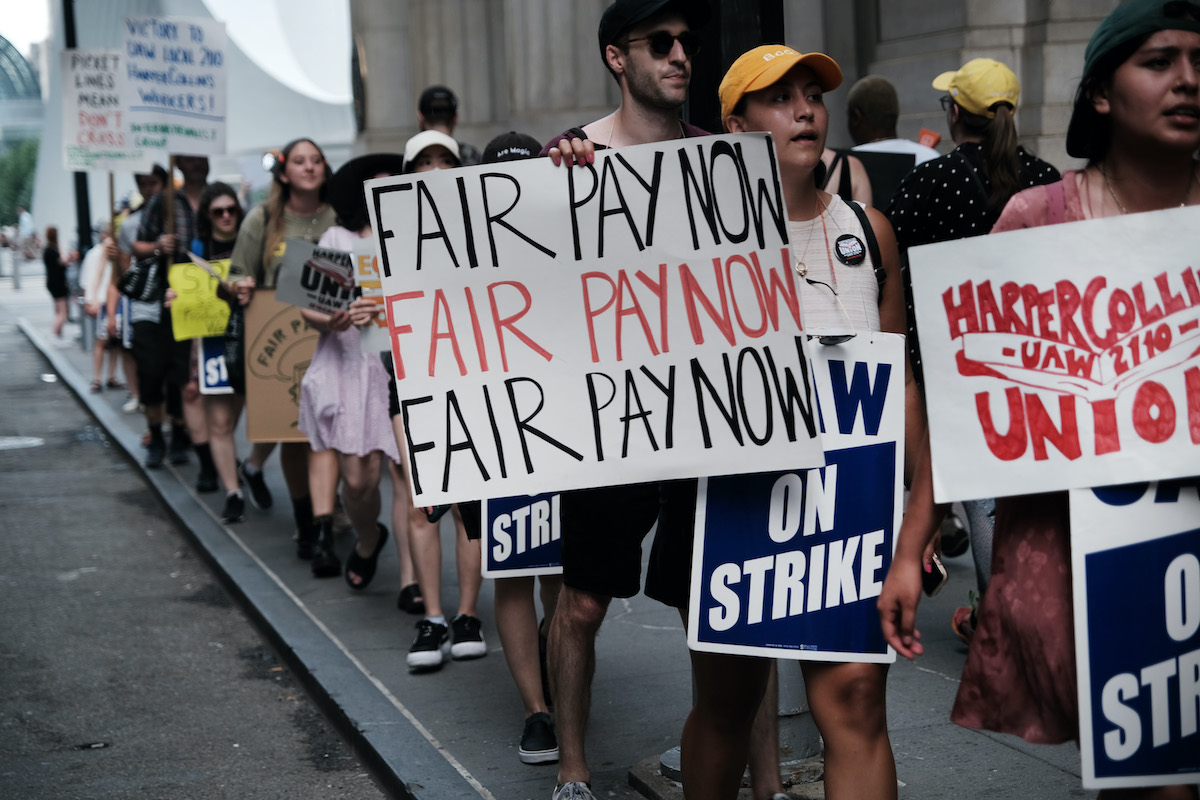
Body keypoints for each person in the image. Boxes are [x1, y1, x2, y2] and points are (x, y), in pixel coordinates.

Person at [878, 2, 1200, 798]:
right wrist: (914, 543)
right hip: (1093, 549)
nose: (1189, 80)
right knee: (1153, 775)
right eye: (1159, 61)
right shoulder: (1041, 216)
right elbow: (970, 400)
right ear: (1101, 93)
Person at [659, 43, 945, 800]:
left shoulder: (869, 232)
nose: (805, 111)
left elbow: (898, 379)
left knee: (855, 700)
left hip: (848, 504)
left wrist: (920, 511)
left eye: (812, 96)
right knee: (727, 702)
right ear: (736, 123)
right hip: (738, 503)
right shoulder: (694, 238)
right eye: (780, 98)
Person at [539, 1, 712, 798]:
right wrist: (553, 183)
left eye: (686, 43)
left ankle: (722, 754)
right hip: (609, 418)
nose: (680, 56)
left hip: (705, 413)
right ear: (618, 57)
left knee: (715, 600)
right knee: (582, 603)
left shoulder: (716, 160)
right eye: (661, 43)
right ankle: (573, 768)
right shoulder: (572, 159)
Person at [884, 57, 1061, 641]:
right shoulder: (1047, 179)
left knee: (979, 485)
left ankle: (998, 617)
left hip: (948, 359)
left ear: (955, 114)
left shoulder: (931, 182)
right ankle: (1017, 609)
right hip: (1033, 358)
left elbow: (888, 257)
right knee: (1025, 484)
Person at [474, 131, 565, 766]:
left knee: (561, 571)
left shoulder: (572, 236)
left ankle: (558, 662)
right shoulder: (461, 253)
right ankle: (536, 710)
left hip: (567, 427)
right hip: (498, 431)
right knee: (512, 571)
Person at [384, 130, 488, 669]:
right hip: (411, 379)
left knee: (469, 502)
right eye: (422, 160)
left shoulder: (483, 227)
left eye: (443, 159)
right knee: (424, 501)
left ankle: (467, 614)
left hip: (470, 375)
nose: (433, 168)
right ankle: (433, 616)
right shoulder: (388, 235)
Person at [296, 150, 421, 593]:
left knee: (407, 477)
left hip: (404, 367)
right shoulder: (338, 238)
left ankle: (411, 581)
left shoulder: (416, 238)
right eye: (376, 185)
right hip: (351, 366)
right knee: (358, 480)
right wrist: (334, 319)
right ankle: (369, 538)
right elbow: (309, 307)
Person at [228, 138, 338, 556]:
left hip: (334, 338)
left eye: (316, 160)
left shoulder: (340, 215)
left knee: (330, 433)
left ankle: (332, 509)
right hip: (283, 341)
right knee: (295, 435)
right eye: (299, 161)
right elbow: (235, 274)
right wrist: (240, 286)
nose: (309, 167)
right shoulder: (262, 218)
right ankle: (307, 520)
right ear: (284, 172)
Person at [189, 183, 248, 520]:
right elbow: (188, 297)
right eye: (218, 211)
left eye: (231, 209)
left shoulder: (252, 240)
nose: (226, 216)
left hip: (252, 337)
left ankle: (252, 466)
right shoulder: (198, 248)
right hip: (213, 343)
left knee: (262, 417)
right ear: (208, 215)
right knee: (221, 422)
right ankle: (233, 492)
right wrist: (176, 296)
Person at [114, 166, 170, 415]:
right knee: (149, 367)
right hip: (144, 304)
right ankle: (154, 424)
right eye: (143, 184)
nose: (148, 189)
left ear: (164, 184)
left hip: (175, 301)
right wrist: (113, 257)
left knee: (174, 369)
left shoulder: (178, 217)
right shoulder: (130, 224)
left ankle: (174, 422)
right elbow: (124, 273)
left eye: (153, 183)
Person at [79, 229, 124, 391]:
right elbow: (88, 279)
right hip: (103, 301)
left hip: (114, 300)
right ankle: (97, 378)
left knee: (116, 341)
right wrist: (90, 300)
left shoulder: (118, 253)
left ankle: (110, 376)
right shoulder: (95, 254)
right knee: (101, 341)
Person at [417, 85, 482, 166]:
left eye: (446, 161)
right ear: (456, 118)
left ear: (420, 117)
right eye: (427, 162)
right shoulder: (472, 157)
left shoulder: (410, 160)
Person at [42, 226, 75, 345]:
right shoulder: (52, 250)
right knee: (63, 312)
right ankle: (55, 334)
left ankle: (59, 335)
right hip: (58, 283)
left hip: (52, 282)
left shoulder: (47, 249)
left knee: (58, 311)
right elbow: (63, 261)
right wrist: (69, 255)